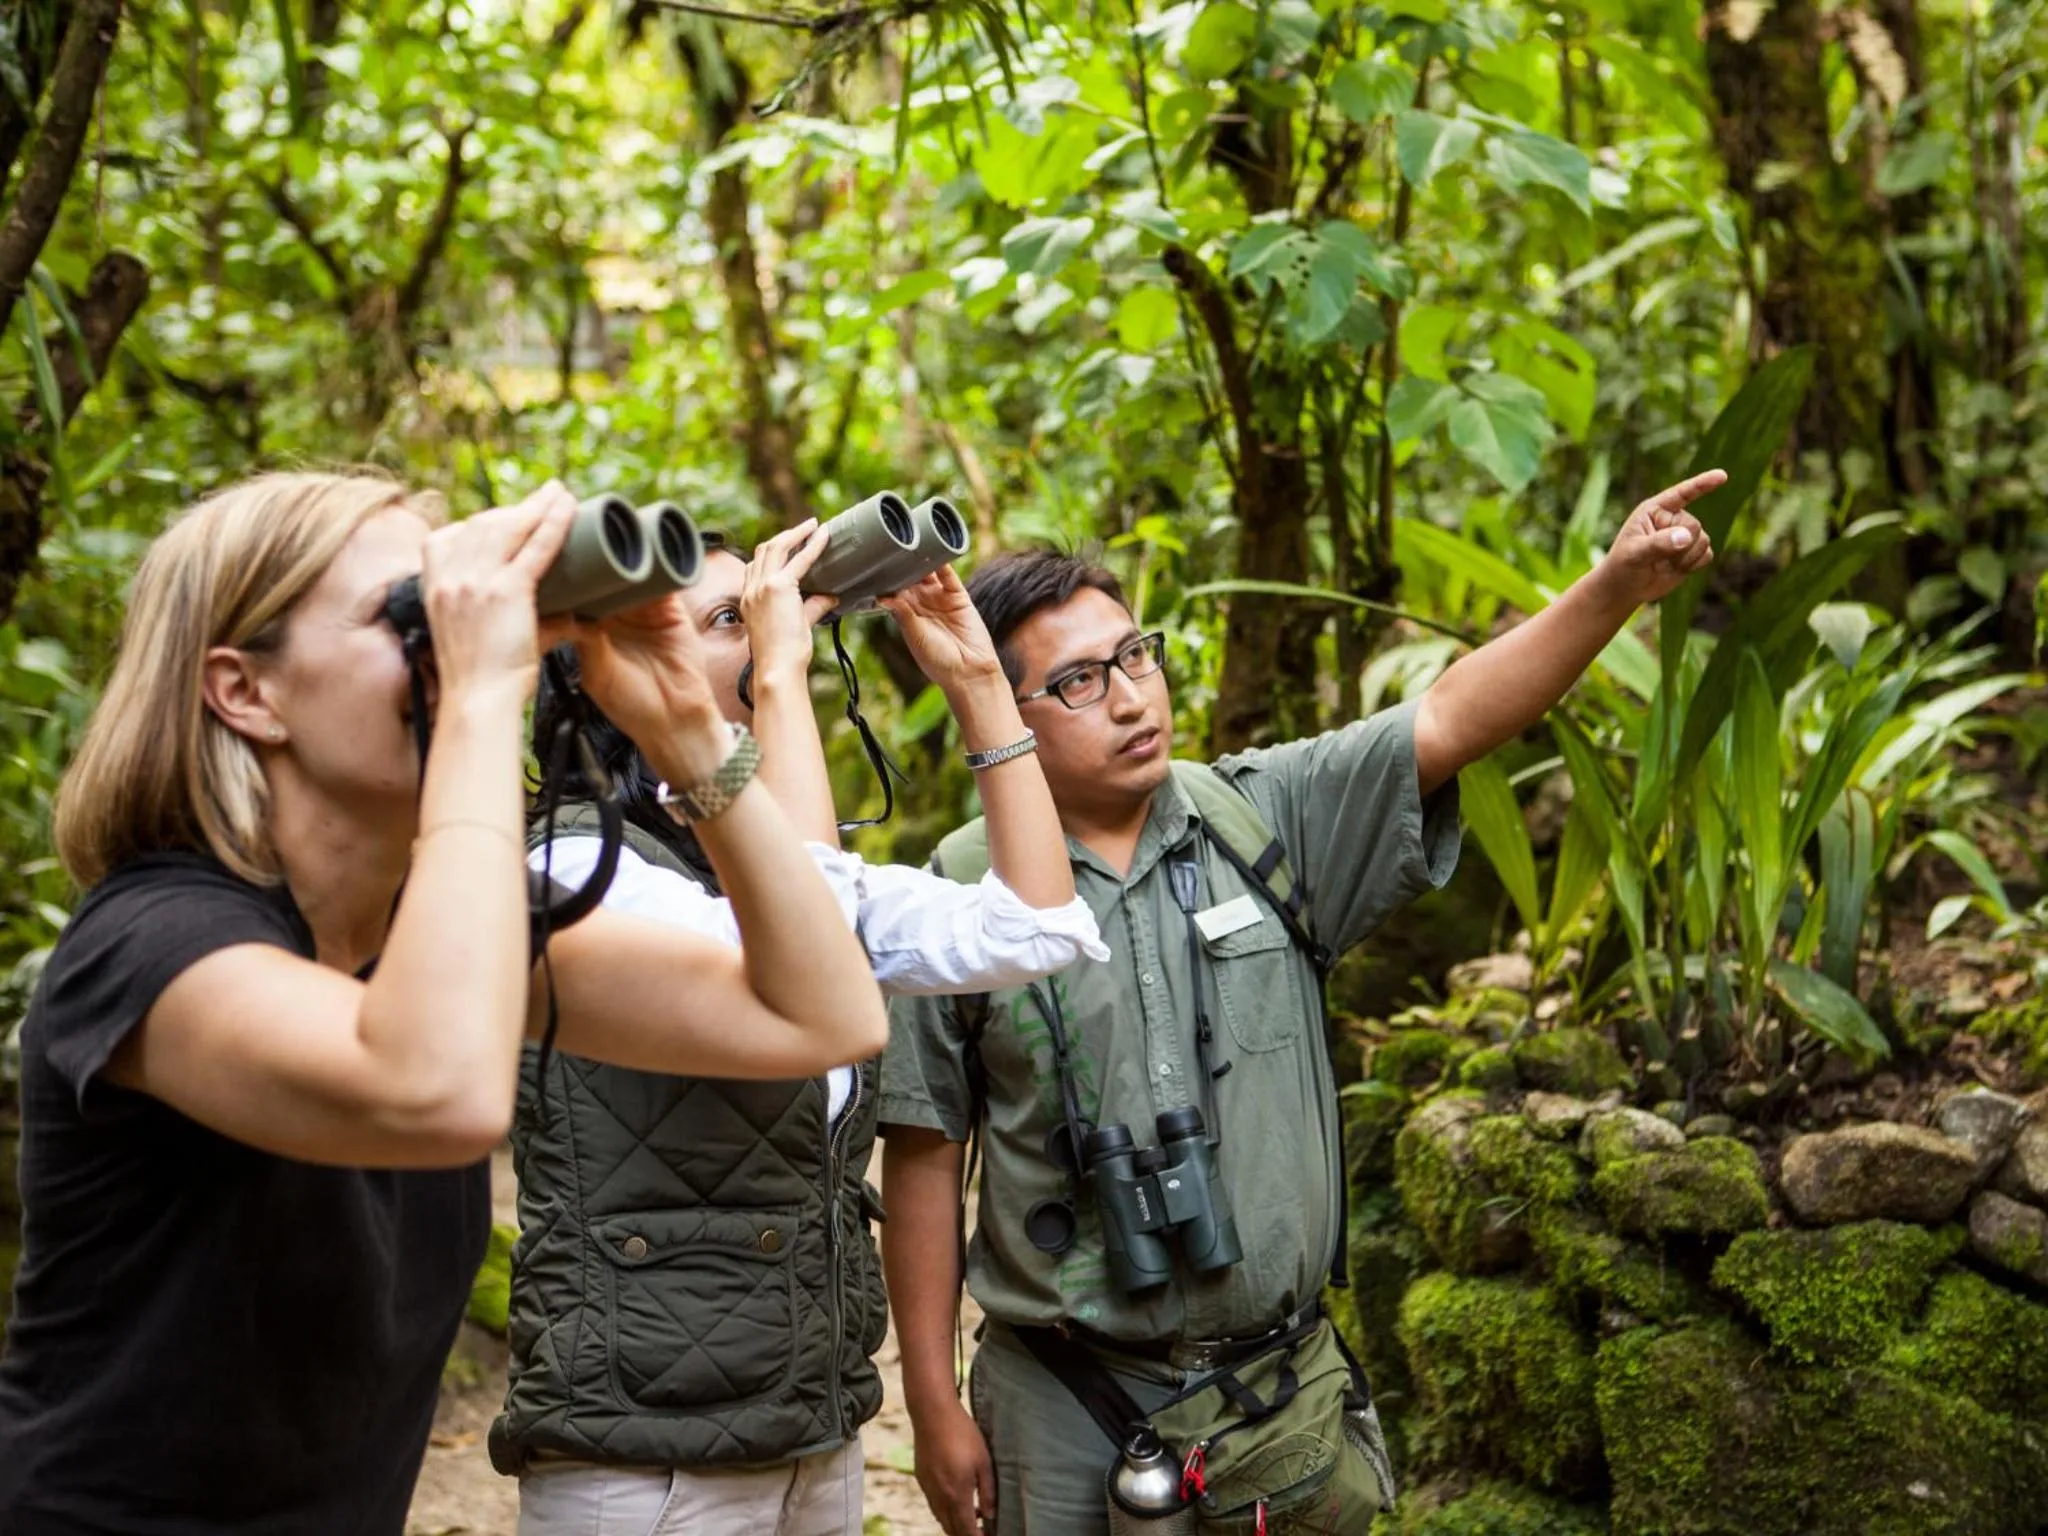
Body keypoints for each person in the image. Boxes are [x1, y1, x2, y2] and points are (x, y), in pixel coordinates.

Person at [0, 472, 889, 1536]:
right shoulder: (150, 946)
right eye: (415, 614)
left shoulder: (430, 928)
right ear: (246, 692)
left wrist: (687, 735)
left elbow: (824, 1016)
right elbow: (434, 1091)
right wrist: (473, 700)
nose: (472, 641)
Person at [879, 470, 1726, 1535]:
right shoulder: (955, 896)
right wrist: (929, 1395)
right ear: (1005, 707)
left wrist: (1614, 586)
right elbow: (920, 1148)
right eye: (1083, 682)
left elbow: (1458, 710)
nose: (1134, 696)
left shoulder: (1266, 814)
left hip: (1279, 1388)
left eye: (1134, 656)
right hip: (1061, 1393)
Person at [495, 519, 1108, 1536]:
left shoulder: (757, 859)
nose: (772, 629)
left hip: (808, 1431)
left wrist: (974, 682)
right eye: (728, 617)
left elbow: (1032, 926)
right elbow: (806, 970)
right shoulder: (572, 872)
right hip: (644, 1457)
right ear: (609, 667)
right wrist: (779, 681)